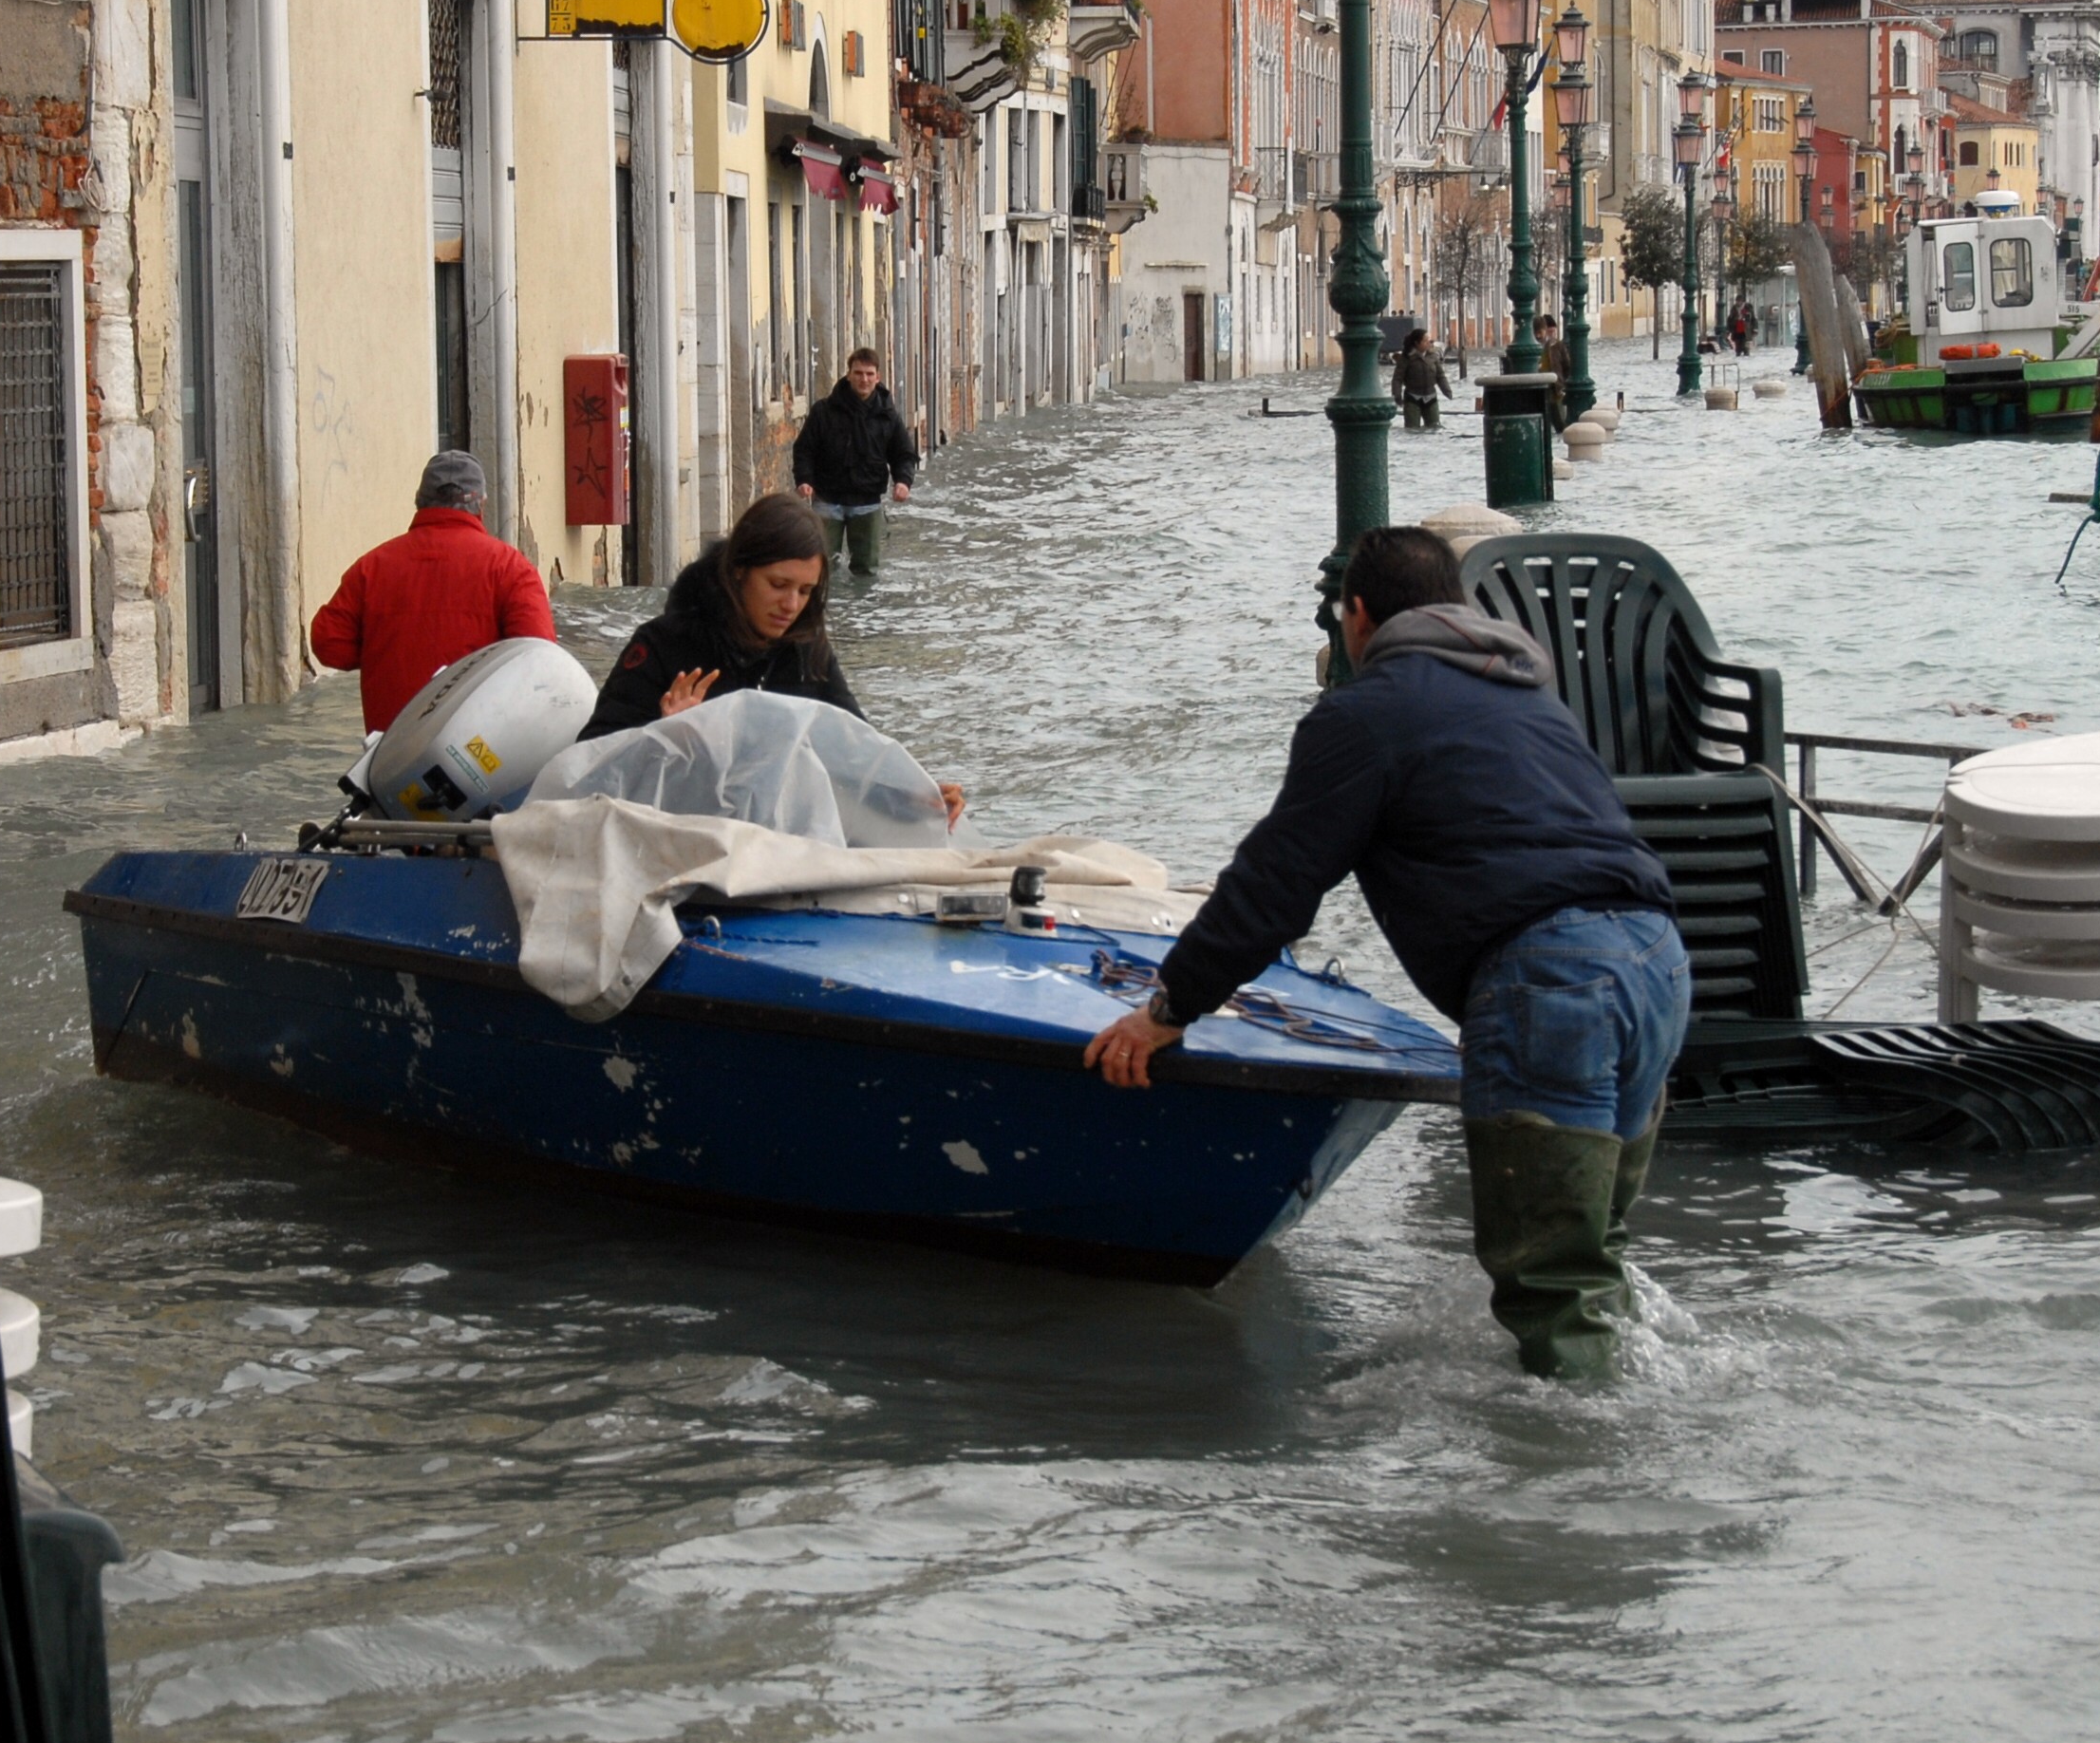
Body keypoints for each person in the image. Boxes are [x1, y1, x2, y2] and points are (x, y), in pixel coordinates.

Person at [1079, 525, 1687, 1379]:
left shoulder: (1365, 715)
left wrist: (1166, 1011)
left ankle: (1571, 1498)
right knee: (1596, 1262)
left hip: (1551, 982)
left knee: (1554, 1295)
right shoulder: (1530, 697)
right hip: (1657, 967)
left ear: (1356, 616)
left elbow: (1273, 888)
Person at [582, 493, 967, 821]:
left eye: (804, 591)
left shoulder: (806, 649)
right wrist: (664, 737)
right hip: (680, 839)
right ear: (738, 573)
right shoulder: (663, 645)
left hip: (779, 844)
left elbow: (855, 747)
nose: (791, 605)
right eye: (779, 585)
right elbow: (590, 767)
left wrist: (915, 794)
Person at [308, 451, 555, 730]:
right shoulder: (510, 568)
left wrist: (384, 652)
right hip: (479, 752)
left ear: (419, 501)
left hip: (389, 752)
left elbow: (328, 645)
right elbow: (540, 661)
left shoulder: (372, 567)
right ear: (481, 505)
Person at [791, 347, 919, 576]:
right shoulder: (824, 411)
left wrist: (903, 481)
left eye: (869, 374)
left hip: (867, 502)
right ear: (848, 374)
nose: (864, 379)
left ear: (878, 377)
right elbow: (804, 449)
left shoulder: (888, 416)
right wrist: (804, 479)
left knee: (867, 571)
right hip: (827, 500)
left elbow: (904, 454)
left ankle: (864, 611)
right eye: (858, 373)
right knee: (820, 570)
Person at [1392, 327, 1447, 431]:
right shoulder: (1406, 358)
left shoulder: (1433, 356)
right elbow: (1397, 379)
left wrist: (1446, 390)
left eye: (1429, 340)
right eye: (1425, 341)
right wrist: (1397, 396)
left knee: (1435, 428)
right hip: (1412, 398)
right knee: (1412, 429)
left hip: (1431, 397)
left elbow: (1440, 376)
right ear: (1417, 343)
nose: (1429, 343)